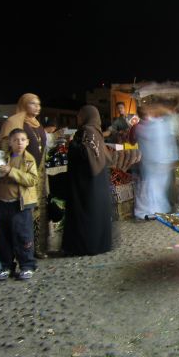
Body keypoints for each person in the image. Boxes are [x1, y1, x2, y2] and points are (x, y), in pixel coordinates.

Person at [0, 93, 48, 259]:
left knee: (37, 211)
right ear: (24, 104)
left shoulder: (37, 124)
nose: (37, 107)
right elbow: (4, 151)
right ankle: (18, 254)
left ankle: (36, 249)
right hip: (18, 176)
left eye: (39, 104)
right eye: (33, 103)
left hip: (37, 173)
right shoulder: (14, 122)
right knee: (21, 215)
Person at [62, 105, 113, 256]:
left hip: (88, 184)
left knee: (87, 214)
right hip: (95, 182)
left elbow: (86, 154)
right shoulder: (95, 131)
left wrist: (72, 144)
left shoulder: (88, 131)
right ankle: (96, 244)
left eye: (80, 115)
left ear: (86, 116)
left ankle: (87, 246)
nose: (78, 118)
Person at [0, 128, 38, 280]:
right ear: (10, 143)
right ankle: (6, 266)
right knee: (4, 237)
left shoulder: (28, 160)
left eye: (22, 140)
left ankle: (27, 265)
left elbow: (32, 180)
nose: (19, 143)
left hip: (20, 205)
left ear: (27, 142)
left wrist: (11, 171)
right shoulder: (2, 158)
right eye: (15, 140)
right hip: (2, 204)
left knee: (23, 236)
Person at [134, 103, 179, 219]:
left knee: (153, 186)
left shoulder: (141, 127)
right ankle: (153, 210)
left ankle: (155, 209)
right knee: (156, 186)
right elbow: (169, 141)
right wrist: (173, 158)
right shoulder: (158, 125)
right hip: (159, 160)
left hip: (152, 161)